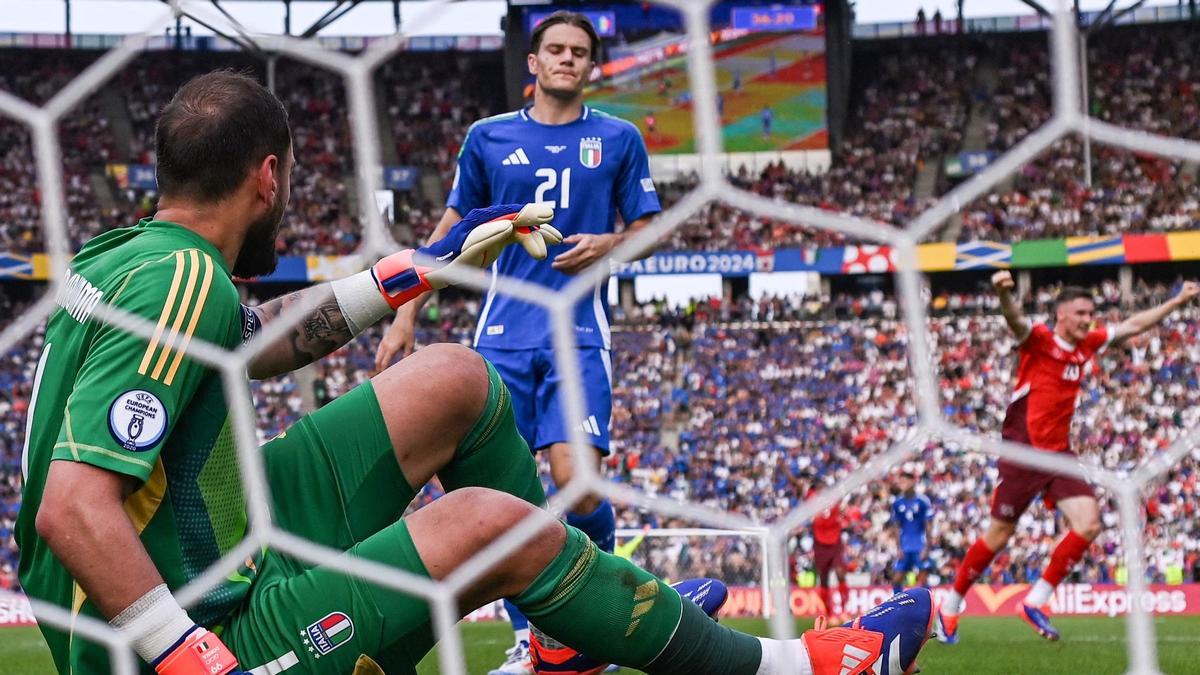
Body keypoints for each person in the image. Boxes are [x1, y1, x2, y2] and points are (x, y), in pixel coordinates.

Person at [16, 70, 937, 675]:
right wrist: (184, 654)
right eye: (291, 178)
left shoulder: (134, 256)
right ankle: (797, 666)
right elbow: (72, 506)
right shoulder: (180, 277)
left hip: (216, 544)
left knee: (456, 376)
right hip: (185, 623)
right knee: (490, 523)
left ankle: (556, 645)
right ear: (269, 176)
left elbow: (260, 343)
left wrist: (431, 259)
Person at [373, 12, 661, 673]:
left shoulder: (618, 139)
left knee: (578, 486)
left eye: (579, 52)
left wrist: (610, 242)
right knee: (507, 504)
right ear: (532, 63)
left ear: (592, 67)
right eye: (555, 50)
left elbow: (649, 223)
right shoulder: (488, 138)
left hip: (579, 330)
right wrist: (406, 315)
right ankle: (534, 642)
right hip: (503, 335)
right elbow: (449, 236)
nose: (566, 59)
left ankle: (609, 614)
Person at [938, 271, 1199, 644]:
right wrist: (1003, 294)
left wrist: (1176, 302)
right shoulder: (1041, 340)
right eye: (1080, 313)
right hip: (1023, 455)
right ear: (1061, 314)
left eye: (1090, 313)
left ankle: (1035, 601)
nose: (1087, 319)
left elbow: (1132, 325)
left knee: (1089, 524)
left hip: (1059, 455)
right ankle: (951, 606)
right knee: (998, 536)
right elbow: (1015, 320)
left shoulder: (1087, 344)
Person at [810, 486, 851, 623]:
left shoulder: (836, 503)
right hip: (820, 545)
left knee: (840, 573)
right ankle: (829, 613)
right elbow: (798, 485)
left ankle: (844, 610)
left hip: (835, 543)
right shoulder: (812, 504)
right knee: (824, 579)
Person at [890, 472, 933, 594]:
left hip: (920, 545)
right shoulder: (897, 503)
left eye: (904, 481)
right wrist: (898, 548)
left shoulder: (923, 501)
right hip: (905, 546)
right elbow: (897, 527)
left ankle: (930, 608)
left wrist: (926, 548)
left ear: (912, 482)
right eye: (900, 482)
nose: (901, 484)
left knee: (923, 578)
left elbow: (928, 527)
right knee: (896, 579)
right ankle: (899, 607)